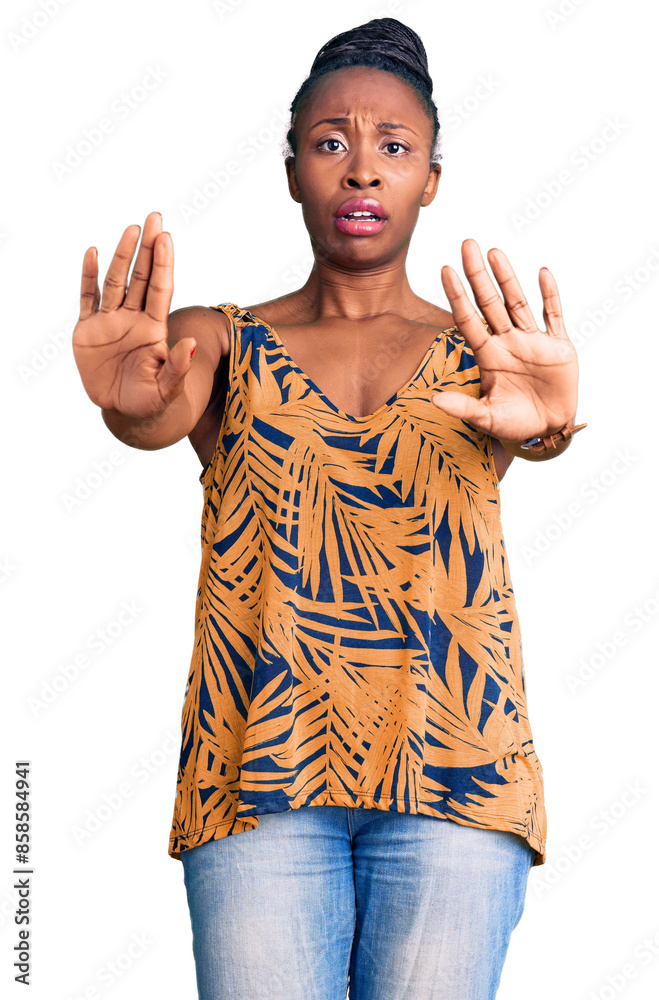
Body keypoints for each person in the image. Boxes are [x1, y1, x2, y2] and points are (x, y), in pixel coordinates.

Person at [72, 16, 586, 1000]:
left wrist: (549, 427)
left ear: (430, 177)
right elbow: (158, 408)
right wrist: (126, 410)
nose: (361, 170)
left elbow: (532, 427)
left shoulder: (487, 356)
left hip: (457, 778)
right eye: (330, 142)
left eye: (393, 147)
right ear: (292, 168)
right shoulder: (215, 338)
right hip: (257, 776)